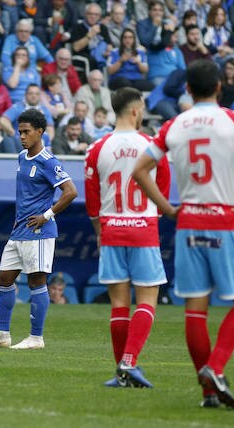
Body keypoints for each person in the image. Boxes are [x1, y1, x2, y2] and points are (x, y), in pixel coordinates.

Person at [132, 59, 234, 409]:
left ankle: (208, 394)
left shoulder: (173, 125)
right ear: (219, 87)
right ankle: (216, 367)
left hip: (189, 222)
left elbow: (139, 170)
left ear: (188, 91)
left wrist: (167, 208)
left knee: (195, 310)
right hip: (226, 218)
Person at [84, 87, 171, 388]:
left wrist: (99, 232)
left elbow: (92, 201)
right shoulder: (152, 145)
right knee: (147, 299)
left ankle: (121, 372)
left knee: (119, 305)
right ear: (136, 111)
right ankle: (128, 362)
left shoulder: (96, 148)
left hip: (111, 230)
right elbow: (163, 192)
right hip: (143, 228)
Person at [0, 108, 77, 351]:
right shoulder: (21, 157)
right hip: (20, 229)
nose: (21, 136)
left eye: (26, 132)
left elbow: (71, 192)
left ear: (40, 132)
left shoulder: (48, 161)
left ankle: (36, 338)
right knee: (4, 278)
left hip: (39, 231)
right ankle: (2, 334)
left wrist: (47, 215)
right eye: (20, 132)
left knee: (36, 280)